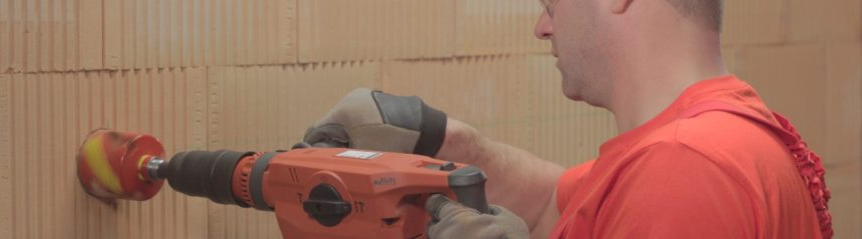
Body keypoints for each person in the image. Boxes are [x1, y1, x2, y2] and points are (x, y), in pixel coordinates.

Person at [303, 0, 832, 238]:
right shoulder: (717, 135)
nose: (542, 26)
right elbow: (548, 209)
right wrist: (441, 137)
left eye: (552, 2)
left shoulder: (683, 170)